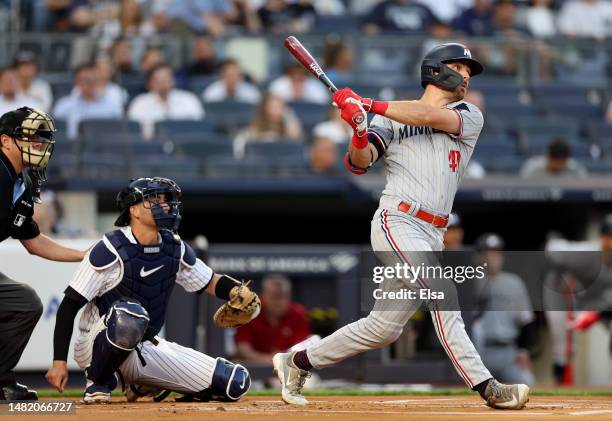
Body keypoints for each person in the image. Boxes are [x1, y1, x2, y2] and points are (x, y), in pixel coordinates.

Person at [273, 43, 530, 409]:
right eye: (460, 67)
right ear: (436, 70)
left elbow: (427, 116)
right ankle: (486, 385)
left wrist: (368, 105)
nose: (467, 75)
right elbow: (359, 162)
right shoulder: (391, 118)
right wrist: (360, 128)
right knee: (443, 292)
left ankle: (296, 361)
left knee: (382, 329)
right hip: (398, 220)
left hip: (433, 232)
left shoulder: (469, 114)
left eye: (469, 69)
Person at [45, 177, 260, 404]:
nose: (166, 205)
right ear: (134, 210)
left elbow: (210, 281)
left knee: (234, 382)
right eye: (155, 199)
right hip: (96, 344)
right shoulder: (109, 248)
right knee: (129, 315)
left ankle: (141, 385)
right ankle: (99, 381)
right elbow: (69, 306)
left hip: (144, 346)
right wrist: (59, 362)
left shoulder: (174, 246)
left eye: (166, 200)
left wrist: (237, 291)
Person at [0, 107, 87, 400]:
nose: (38, 144)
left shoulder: (18, 184)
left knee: (25, 303)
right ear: (5, 141)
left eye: (41, 138)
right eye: (30, 137)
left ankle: (0, 382)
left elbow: (34, 242)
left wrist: (82, 255)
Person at [471, 233, 536, 386]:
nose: (493, 257)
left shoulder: (514, 283)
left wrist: (524, 351)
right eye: (488, 252)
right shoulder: (469, 282)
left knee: (527, 382)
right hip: (479, 352)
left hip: (508, 352)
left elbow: (527, 322)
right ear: (479, 256)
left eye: (497, 252)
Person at [235, 274, 311, 364]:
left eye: (284, 297)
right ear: (264, 295)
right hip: (255, 368)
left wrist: (281, 361)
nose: (280, 302)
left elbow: (303, 348)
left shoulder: (299, 314)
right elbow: (243, 348)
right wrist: (268, 360)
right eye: (274, 297)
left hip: (290, 367)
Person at [127, 64, 205, 139]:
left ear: (173, 80)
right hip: (151, 147)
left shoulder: (189, 99)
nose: (163, 83)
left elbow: (198, 127)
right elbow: (134, 131)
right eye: (158, 80)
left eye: (166, 78)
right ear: (149, 83)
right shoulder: (139, 103)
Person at [52, 64, 123, 140]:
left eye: (94, 79)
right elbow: (55, 134)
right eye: (85, 80)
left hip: (104, 148)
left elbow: (118, 134)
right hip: (72, 148)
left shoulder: (111, 106)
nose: (90, 83)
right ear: (76, 82)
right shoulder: (64, 105)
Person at [234, 93, 303, 154]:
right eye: (272, 107)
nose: (275, 110)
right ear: (265, 109)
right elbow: (241, 140)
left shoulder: (288, 126)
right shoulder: (256, 127)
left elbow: (296, 137)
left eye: (279, 107)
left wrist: (288, 115)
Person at [520, 139, 588, 179]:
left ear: (567, 159)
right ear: (548, 157)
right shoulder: (532, 168)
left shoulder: (576, 170)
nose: (558, 168)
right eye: (555, 163)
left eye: (561, 163)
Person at [362, 0, 436, 34]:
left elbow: (438, 26)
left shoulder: (422, 8)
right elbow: (368, 25)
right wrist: (371, 28)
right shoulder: (384, 6)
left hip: (418, 47)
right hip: (390, 47)